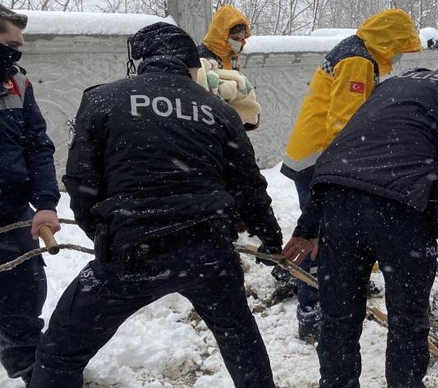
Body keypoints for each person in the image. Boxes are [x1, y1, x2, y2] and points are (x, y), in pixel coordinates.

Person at [30, 22, 283, 388]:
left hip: (132, 252)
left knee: (59, 352)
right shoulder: (220, 110)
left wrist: (105, 236)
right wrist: (270, 239)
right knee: (241, 341)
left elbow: (81, 184)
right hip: (209, 255)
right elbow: (250, 190)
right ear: (191, 65)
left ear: (140, 61)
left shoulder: (102, 99)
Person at [283, 49, 438, 388]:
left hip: (340, 203)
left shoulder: (390, 87)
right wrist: (436, 185)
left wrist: (309, 226)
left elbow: (339, 152)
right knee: (408, 321)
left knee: (338, 318)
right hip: (402, 212)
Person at [278, 8, 422, 341]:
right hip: (321, 160)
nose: (400, 53)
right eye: (400, 45)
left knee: (335, 233)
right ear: (389, 39)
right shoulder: (357, 60)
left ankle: (341, 281)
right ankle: (310, 310)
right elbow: (344, 125)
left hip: (317, 155)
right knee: (318, 238)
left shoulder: (355, 50)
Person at [0, 6, 61, 387]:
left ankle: (30, 374)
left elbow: (38, 146)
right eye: (9, 45)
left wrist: (46, 203)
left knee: (23, 299)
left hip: (11, 213)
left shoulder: (17, 83)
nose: (16, 55)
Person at [198, 4, 250, 71]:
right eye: (235, 38)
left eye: (241, 39)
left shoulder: (232, 55)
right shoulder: (202, 56)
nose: (239, 43)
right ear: (221, 35)